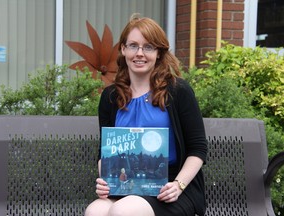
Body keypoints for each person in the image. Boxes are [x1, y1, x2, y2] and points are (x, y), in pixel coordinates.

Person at [85, 14, 208, 216]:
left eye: (148, 47)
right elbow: (104, 153)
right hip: (125, 186)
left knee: (123, 211)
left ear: (158, 53)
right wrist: (105, 181)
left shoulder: (178, 91)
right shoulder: (110, 96)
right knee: (95, 211)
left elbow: (198, 149)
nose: (139, 53)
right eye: (133, 45)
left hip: (170, 189)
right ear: (123, 49)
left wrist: (178, 185)